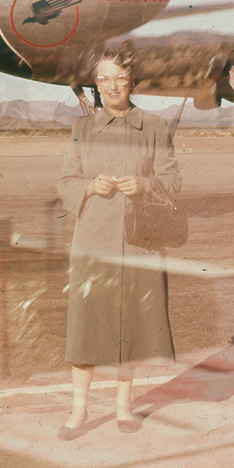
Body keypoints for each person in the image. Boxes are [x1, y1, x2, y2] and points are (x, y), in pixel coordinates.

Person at [57, 48, 180, 438]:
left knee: (133, 326)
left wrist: (146, 185)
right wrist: (89, 186)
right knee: (86, 326)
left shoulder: (156, 127)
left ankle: (124, 408)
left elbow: (173, 183)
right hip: (92, 239)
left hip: (139, 241)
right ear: (96, 84)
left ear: (132, 81)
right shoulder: (82, 128)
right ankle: (78, 412)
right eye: (105, 78)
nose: (113, 86)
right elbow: (65, 181)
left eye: (120, 77)